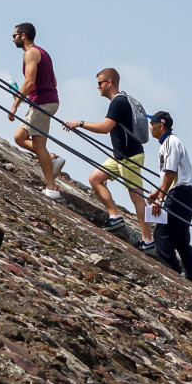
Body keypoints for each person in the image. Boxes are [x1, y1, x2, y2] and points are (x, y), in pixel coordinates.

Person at [63, 69, 153, 249]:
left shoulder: (118, 102)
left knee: (136, 197)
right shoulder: (119, 101)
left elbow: (105, 127)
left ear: (109, 83)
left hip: (129, 156)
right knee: (95, 179)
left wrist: (80, 123)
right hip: (119, 155)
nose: (98, 87)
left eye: (100, 83)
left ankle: (147, 240)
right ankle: (115, 217)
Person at [146, 112, 192, 289]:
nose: (149, 127)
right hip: (186, 192)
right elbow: (170, 176)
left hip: (181, 193)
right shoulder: (167, 144)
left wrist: (160, 199)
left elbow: (170, 173)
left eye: (152, 124)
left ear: (161, 126)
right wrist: (158, 191)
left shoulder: (171, 142)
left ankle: (173, 272)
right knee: (180, 237)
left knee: (161, 233)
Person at [8, 23, 64, 199]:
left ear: (23, 36)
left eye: (14, 35)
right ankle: (52, 158)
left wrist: (16, 103)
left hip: (42, 103)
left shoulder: (30, 53)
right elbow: (53, 81)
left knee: (39, 146)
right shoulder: (43, 52)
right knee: (19, 137)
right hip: (45, 101)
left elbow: (30, 82)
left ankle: (52, 188)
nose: (12, 38)